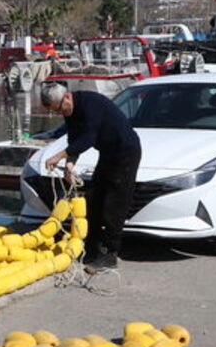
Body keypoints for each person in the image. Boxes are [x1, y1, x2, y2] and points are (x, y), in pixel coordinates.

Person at [41, 83, 141, 272]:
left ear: (67, 97)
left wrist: (57, 157)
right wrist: (69, 165)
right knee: (93, 199)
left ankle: (110, 254)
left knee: (114, 204)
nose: (60, 113)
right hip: (107, 153)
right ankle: (89, 248)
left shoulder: (90, 104)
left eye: (60, 108)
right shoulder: (69, 112)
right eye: (55, 112)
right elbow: (75, 140)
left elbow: (88, 138)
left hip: (125, 151)